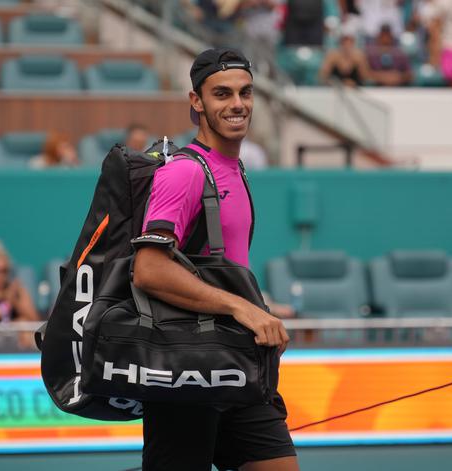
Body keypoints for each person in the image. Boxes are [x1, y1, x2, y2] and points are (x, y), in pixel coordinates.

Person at [133, 48, 297, 471]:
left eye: (245, 93)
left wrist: (258, 312)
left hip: (238, 364)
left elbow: (220, 267)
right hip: (188, 369)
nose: (237, 104)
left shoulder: (235, 170)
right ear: (196, 102)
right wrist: (242, 308)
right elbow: (148, 269)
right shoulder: (185, 172)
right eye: (222, 94)